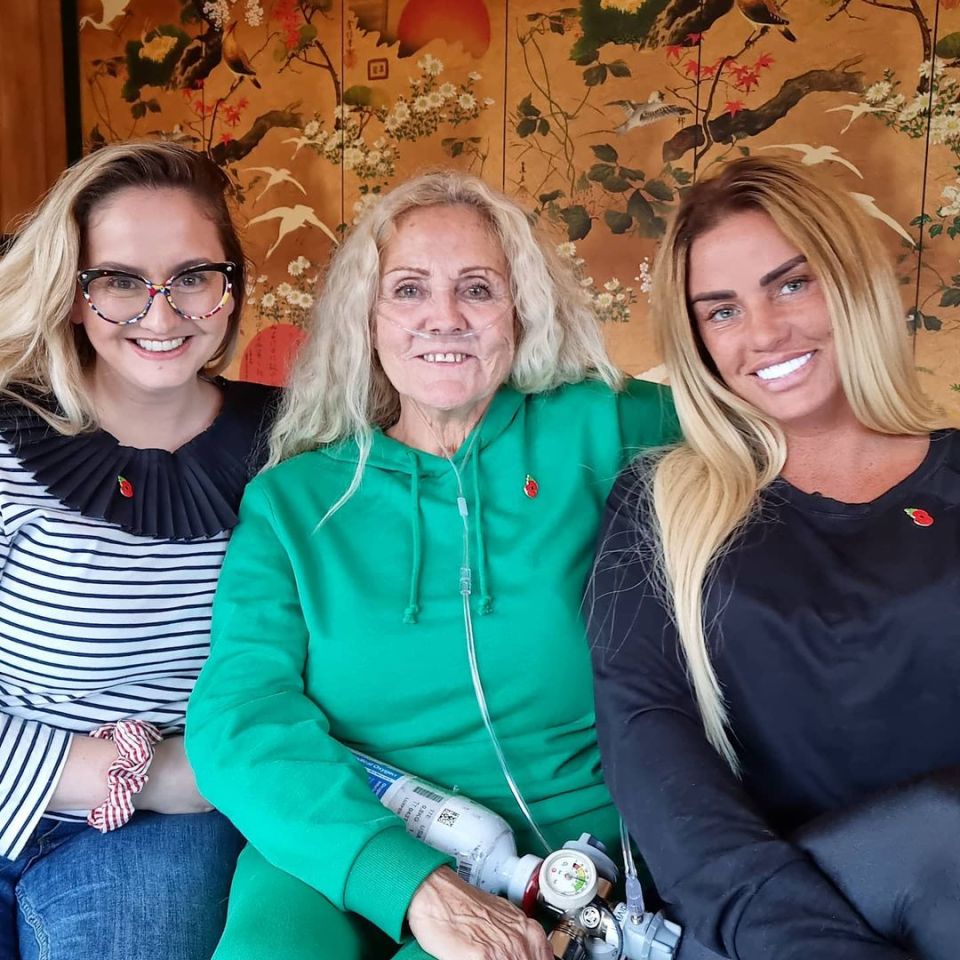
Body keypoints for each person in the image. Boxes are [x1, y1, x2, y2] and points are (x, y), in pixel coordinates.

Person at [185, 169, 678, 960]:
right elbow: (238, 718)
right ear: (368, 318)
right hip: (347, 835)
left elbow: (769, 438)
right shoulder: (297, 501)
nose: (442, 317)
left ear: (520, 308)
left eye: (477, 288)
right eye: (408, 289)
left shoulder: (606, 428)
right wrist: (409, 884)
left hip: (563, 853)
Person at [588, 154, 960, 960]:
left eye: (791, 284)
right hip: (758, 928)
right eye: (720, 311)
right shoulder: (660, 507)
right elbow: (647, 743)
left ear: (850, 281)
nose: (762, 332)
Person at [0, 140, 277, 960]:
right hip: (123, 786)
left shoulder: (296, 443)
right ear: (74, 294)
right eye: (120, 281)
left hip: (155, 839)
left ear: (232, 288)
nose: (161, 317)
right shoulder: (8, 437)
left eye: (193, 277)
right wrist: (129, 772)